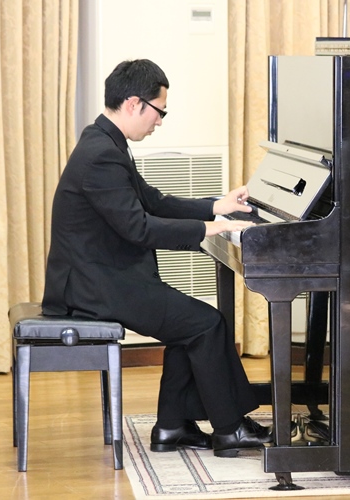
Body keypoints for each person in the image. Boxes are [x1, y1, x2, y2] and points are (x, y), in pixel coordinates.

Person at [41, 59, 271, 457]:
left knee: (190, 324)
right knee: (205, 324)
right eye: (159, 111)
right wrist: (210, 228)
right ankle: (229, 429)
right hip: (94, 287)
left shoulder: (105, 141)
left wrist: (217, 206)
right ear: (134, 103)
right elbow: (139, 228)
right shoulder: (102, 154)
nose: (160, 121)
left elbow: (154, 201)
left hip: (103, 277)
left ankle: (172, 426)